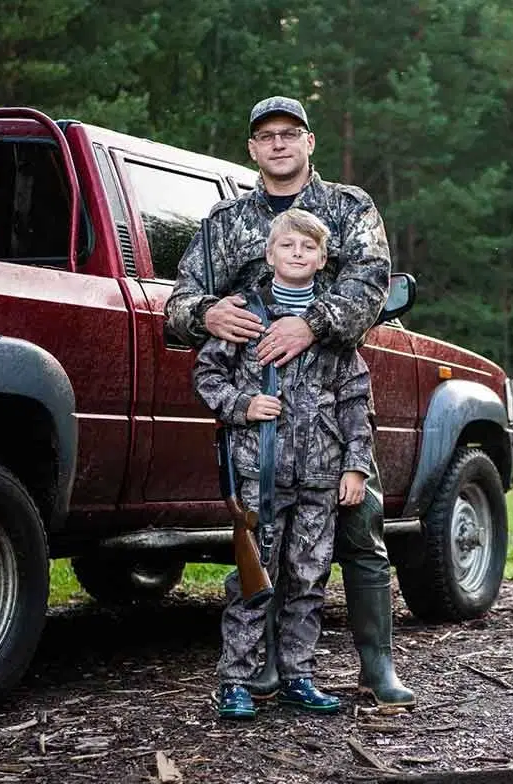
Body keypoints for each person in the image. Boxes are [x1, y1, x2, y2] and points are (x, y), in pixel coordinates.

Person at [167, 95, 415, 709]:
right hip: (262, 419)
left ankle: (376, 666)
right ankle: (263, 671)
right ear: (253, 149)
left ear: (309, 142)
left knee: (357, 526)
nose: (278, 144)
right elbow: (178, 306)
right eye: (266, 136)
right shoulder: (224, 222)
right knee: (265, 542)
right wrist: (208, 312)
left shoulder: (348, 208)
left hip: (331, 401)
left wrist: (312, 324)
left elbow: (370, 287)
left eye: (290, 133)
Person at [195, 208, 372, 719]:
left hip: (321, 477)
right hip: (261, 475)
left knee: (309, 581)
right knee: (253, 582)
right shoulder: (244, 315)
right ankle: (236, 681)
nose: (297, 254)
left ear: (322, 260)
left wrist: (355, 466)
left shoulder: (332, 325)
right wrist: (243, 406)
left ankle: (298, 676)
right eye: (287, 246)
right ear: (269, 254)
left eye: (309, 248)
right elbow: (207, 377)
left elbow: (356, 397)